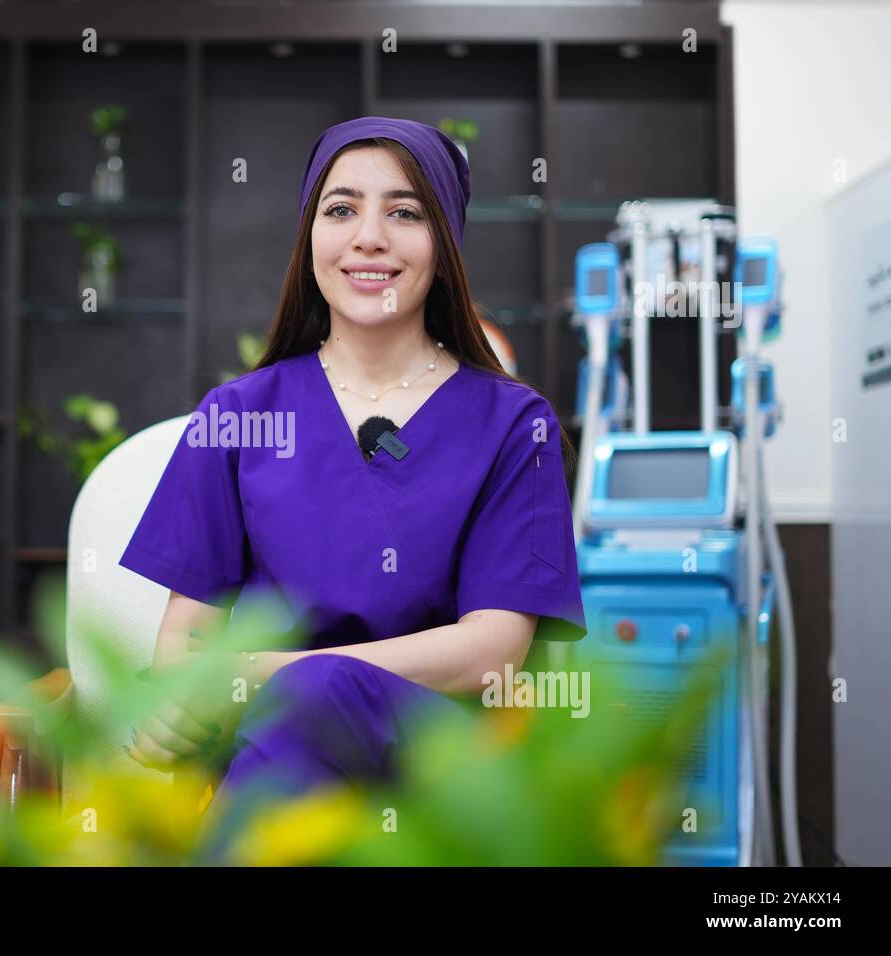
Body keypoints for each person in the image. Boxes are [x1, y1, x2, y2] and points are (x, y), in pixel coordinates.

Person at [116, 116, 586, 862]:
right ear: (311, 238)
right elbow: (188, 642)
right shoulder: (237, 417)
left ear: (446, 244)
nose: (369, 237)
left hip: (438, 759)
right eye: (341, 209)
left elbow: (492, 653)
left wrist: (284, 675)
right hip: (264, 744)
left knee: (318, 693)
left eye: (404, 212)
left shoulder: (512, 424)